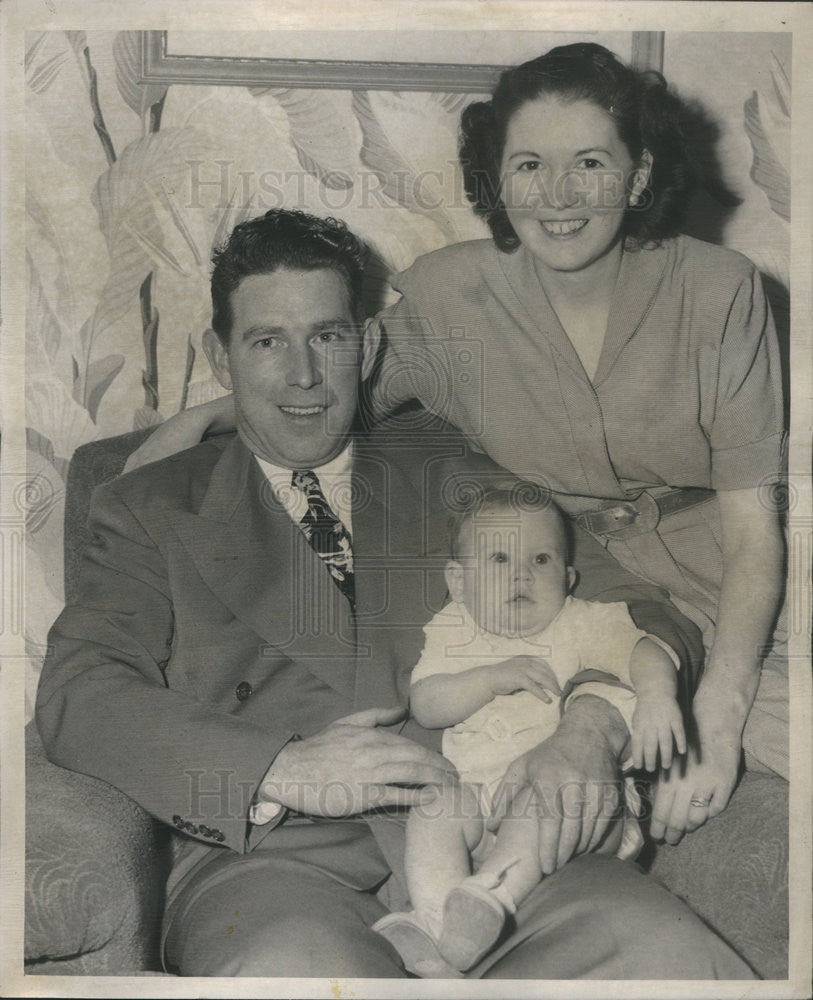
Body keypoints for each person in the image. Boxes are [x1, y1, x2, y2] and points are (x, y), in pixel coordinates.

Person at [36, 209, 754, 979]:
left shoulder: (441, 458)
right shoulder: (149, 506)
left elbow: (640, 608)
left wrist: (588, 732)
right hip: (280, 866)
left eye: (329, 336)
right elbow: (82, 692)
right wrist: (283, 767)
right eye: (268, 341)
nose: (304, 375)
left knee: (672, 961)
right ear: (221, 357)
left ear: (368, 344)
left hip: (499, 847)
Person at [128, 43, 788, 848]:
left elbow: (756, 533)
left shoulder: (721, 292)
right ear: (495, 178)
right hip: (597, 594)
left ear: (639, 173)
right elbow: (329, 383)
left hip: (757, 573)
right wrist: (200, 416)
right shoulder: (449, 300)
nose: (556, 196)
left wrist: (720, 717)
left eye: (589, 162)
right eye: (527, 166)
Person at [373, 485, 686, 975]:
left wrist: (657, 695)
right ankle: (438, 922)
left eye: (541, 559)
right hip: (480, 801)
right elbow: (427, 704)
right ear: (458, 582)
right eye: (499, 558)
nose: (522, 573)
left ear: (568, 577)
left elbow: (643, 648)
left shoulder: (578, 622)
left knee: (541, 798)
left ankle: (489, 895)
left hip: (575, 809)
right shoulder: (452, 628)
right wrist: (489, 679)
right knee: (435, 808)